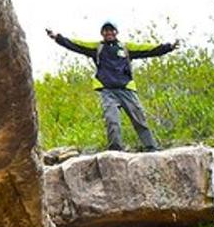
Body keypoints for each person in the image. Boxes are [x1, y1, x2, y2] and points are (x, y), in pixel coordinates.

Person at [45, 22, 180, 152]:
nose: (108, 33)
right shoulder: (97, 47)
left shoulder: (126, 47)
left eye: (111, 30)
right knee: (112, 121)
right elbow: (75, 44)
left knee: (139, 119)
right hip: (107, 90)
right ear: (102, 33)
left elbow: (148, 49)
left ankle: (151, 147)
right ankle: (115, 150)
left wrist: (169, 47)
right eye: (106, 30)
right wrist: (57, 37)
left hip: (126, 88)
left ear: (116, 32)